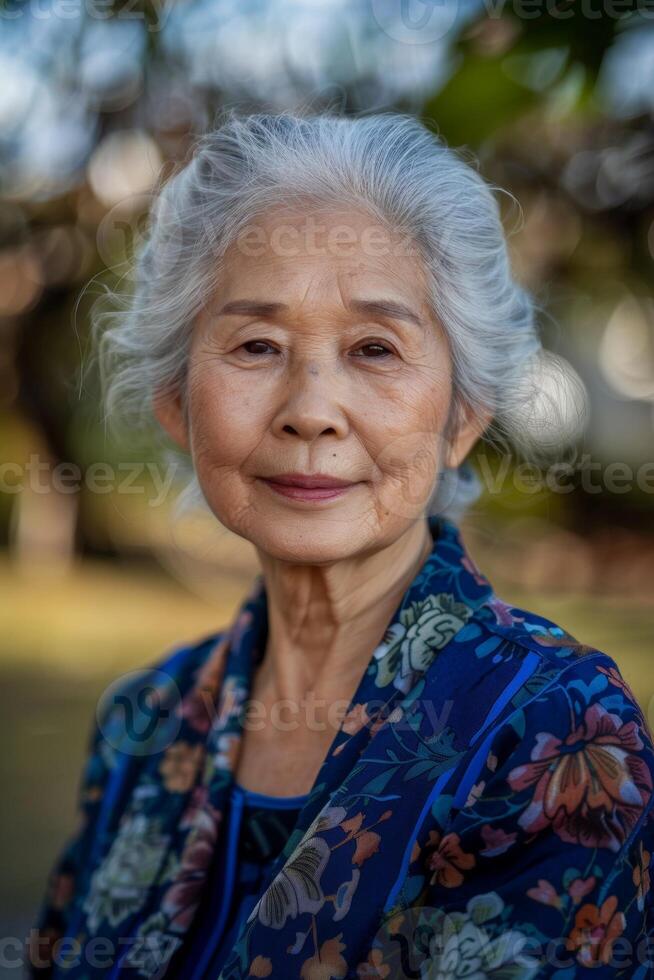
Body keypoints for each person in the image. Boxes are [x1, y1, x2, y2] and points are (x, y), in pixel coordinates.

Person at [28, 110, 654, 979]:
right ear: (176, 401)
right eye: (256, 345)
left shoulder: (556, 729)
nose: (311, 408)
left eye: (374, 348)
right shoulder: (146, 720)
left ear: (462, 416)